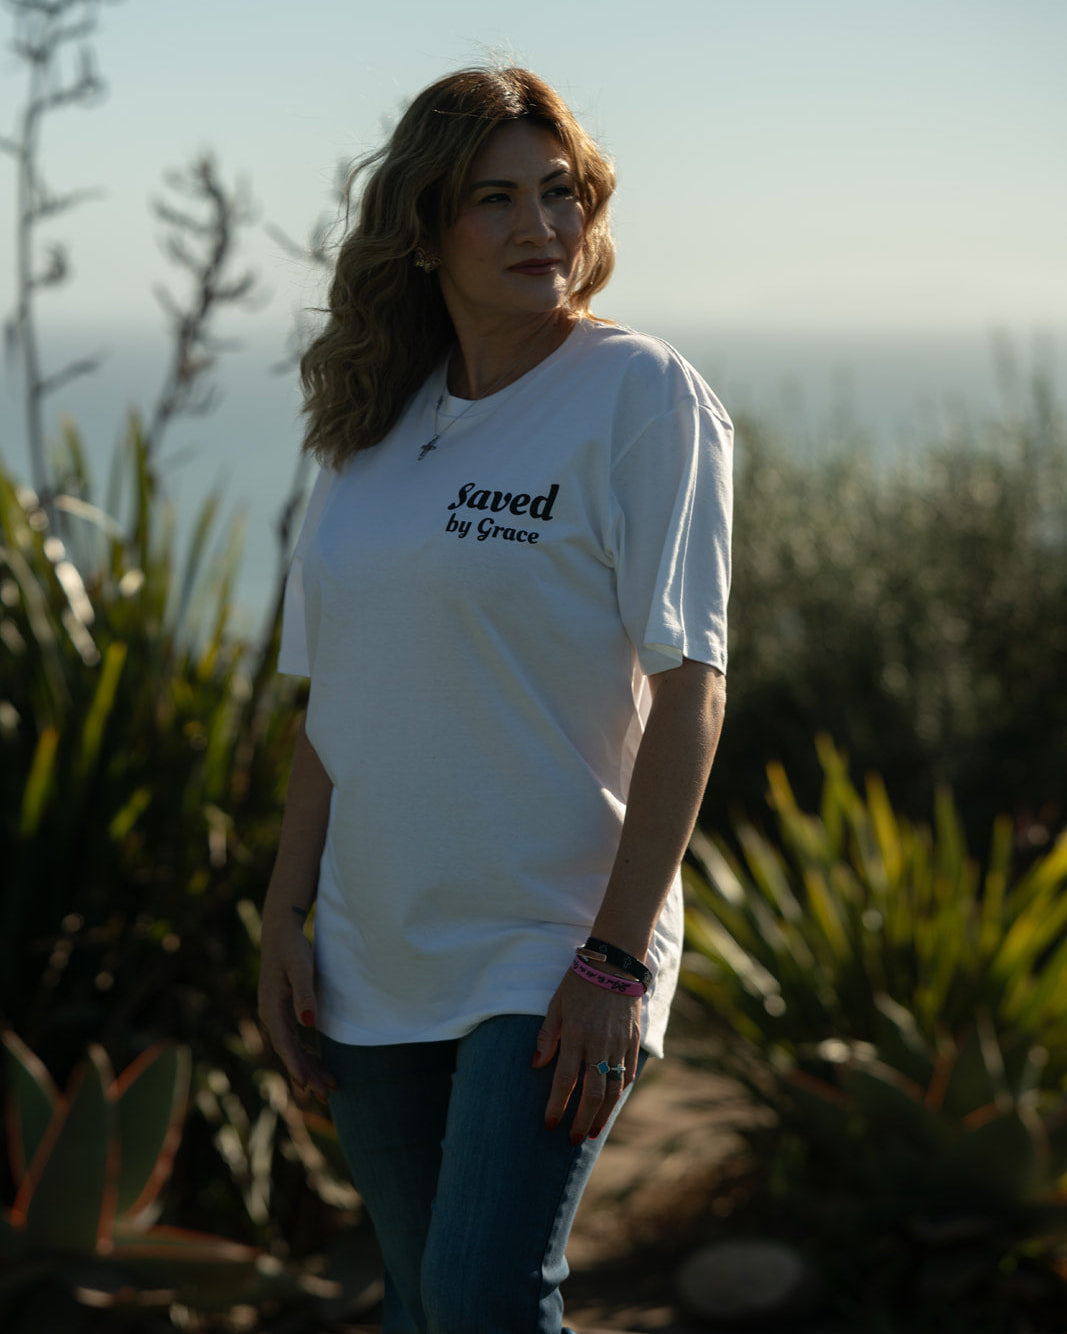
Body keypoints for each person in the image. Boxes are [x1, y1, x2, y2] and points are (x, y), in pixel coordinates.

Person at [258, 65, 732, 1334]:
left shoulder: (638, 397)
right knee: (420, 1304)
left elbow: (692, 690)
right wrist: (283, 907)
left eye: (558, 193)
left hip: (551, 937)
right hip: (376, 945)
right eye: (495, 200)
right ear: (423, 232)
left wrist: (616, 958)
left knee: (480, 1300)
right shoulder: (370, 432)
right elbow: (333, 706)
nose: (540, 229)